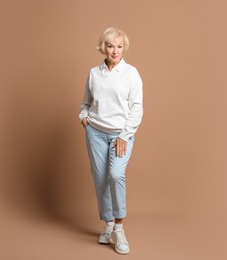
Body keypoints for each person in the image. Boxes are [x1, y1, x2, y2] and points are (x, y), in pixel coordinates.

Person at [79, 27, 143, 255]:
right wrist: (84, 118)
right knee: (100, 179)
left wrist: (125, 135)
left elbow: (137, 108)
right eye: (110, 46)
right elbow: (85, 103)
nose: (114, 50)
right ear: (103, 48)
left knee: (116, 175)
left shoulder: (131, 73)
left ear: (124, 48)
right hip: (95, 132)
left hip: (120, 135)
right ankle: (106, 224)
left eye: (119, 46)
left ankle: (119, 228)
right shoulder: (94, 73)